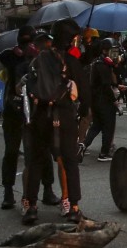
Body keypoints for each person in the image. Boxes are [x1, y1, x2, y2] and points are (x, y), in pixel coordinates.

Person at [22, 17, 89, 224]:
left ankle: (31, 206)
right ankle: (73, 207)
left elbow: (29, 85)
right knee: (69, 161)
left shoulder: (39, 59)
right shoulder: (72, 62)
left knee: (36, 161)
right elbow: (85, 96)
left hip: (40, 115)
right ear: (71, 39)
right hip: (65, 117)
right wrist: (82, 111)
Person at [0, 25, 58, 210]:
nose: (27, 46)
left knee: (43, 151)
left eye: (31, 41)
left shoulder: (43, 56)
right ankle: (8, 192)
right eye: (24, 42)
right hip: (14, 109)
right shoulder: (8, 55)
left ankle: (47, 189)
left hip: (37, 108)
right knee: (12, 151)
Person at [82, 38, 124, 162]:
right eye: (112, 51)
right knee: (108, 127)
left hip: (96, 99)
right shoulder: (102, 65)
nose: (115, 54)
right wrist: (114, 101)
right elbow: (105, 85)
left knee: (96, 125)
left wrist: (116, 85)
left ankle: (83, 146)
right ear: (105, 51)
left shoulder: (100, 63)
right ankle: (104, 153)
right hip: (103, 100)